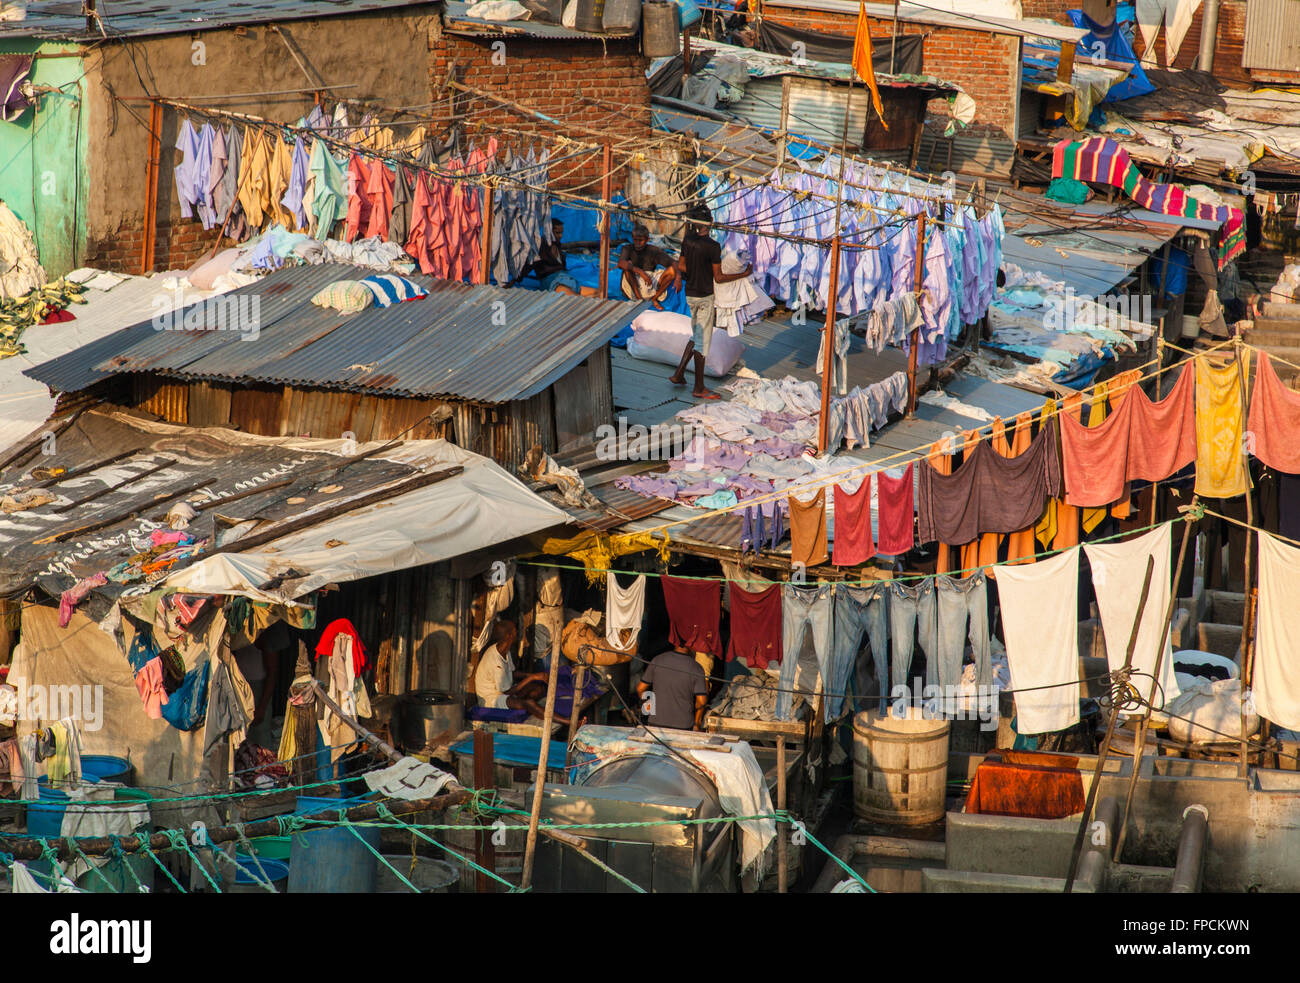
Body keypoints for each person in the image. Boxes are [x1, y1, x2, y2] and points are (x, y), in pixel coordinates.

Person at [672, 207, 752, 400]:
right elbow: (719, 277)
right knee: (702, 342)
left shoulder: (688, 240)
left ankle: (679, 374)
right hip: (705, 297)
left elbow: (681, 266)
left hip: (690, 294)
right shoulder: (713, 246)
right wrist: (744, 274)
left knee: (697, 334)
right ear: (710, 221)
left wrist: (693, 269)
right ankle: (699, 387)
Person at [475, 620, 548, 717]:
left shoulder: (504, 649)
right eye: (514, 630)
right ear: (508, 636)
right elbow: (506, 692)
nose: (517, 632)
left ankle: (527, 707)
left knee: (538, 689)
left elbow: (512, 672)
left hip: (504, 691)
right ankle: (567, 721)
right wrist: (532, 677)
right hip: (491, 699)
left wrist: (533, 676)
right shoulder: (495, 661)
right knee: (529, 703)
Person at [636, 644, 708, 731]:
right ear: (692, 645)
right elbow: (701, 701)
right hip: (684, 725)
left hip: (656, 722)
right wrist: (697, 723)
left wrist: (649, 703)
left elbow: (640, 688)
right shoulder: (697, 667)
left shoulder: (658, 660)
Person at [520, 219, 597, 297]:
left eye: (561, 233)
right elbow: (529, 264)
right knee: (574, 298)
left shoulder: (557, 245)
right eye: (557, 233)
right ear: (548, 232)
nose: (561, 236)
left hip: (566, 279)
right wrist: (515, 279)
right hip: (553, 282)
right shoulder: (540, 246)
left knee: (598, 293)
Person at [618, 224, 679, 308]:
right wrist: (640, 272)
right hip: (634, 282)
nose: (638, 243)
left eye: (641, 240)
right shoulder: (627, 248)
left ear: (647, 240)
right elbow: (621, 263)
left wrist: (678, 276)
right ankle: (639, 299)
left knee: (672, 271)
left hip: (651, 281)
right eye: (635, 240)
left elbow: (673, 263)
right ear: (632, 238)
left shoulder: (653, 250)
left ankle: (654, 298)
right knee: (627, 267)